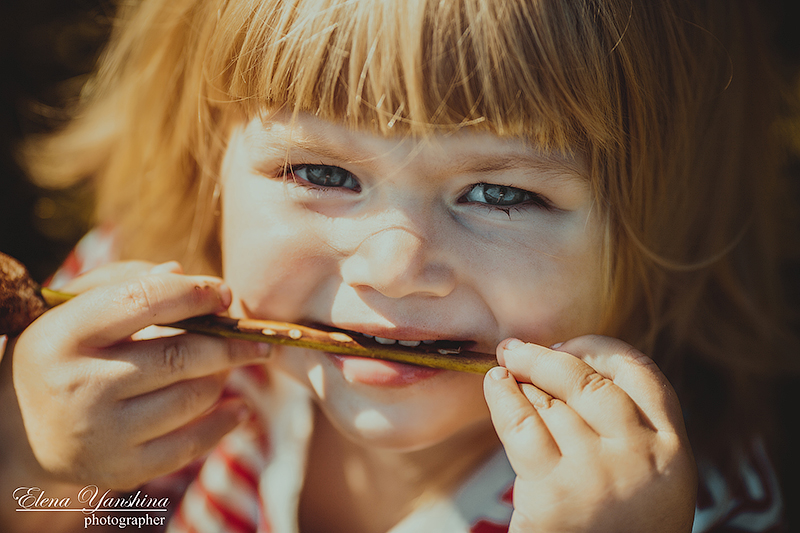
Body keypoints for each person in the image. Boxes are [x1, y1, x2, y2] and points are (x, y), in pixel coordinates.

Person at [2, 0, 798, 531]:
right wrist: (35, 463)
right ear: (208, 162)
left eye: (500, 192)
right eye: (320, 172)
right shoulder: (139, 334)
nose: (392, 266)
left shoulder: (672, 499)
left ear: (656, 225)